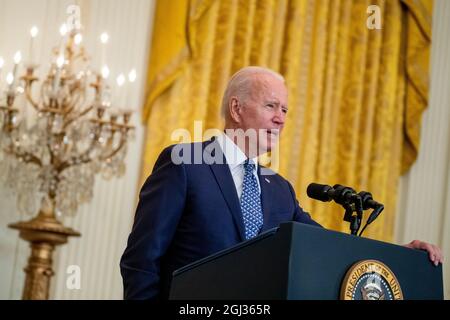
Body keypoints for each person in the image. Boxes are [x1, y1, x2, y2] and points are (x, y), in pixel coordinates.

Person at [120, 66, 443, 300]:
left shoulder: (279, 188)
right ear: (236, 108)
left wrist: (400, 255)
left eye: (285, 109)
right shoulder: (185, 164)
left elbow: (327, 249)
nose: (281, 118)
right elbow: (142, 259)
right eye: (271, 106)